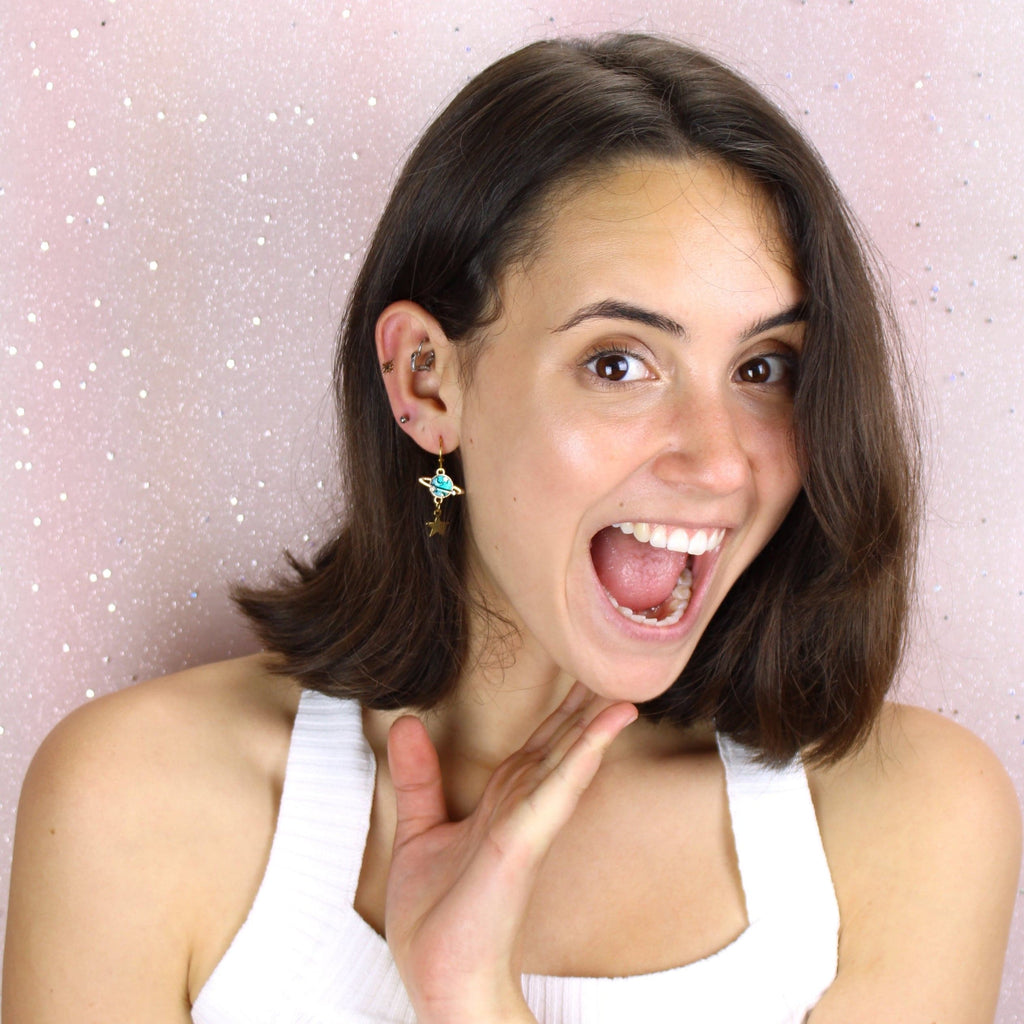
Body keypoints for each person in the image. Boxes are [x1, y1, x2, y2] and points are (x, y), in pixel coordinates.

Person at [3, 33, 1020, 1024]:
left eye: (763, 368)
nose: (718, 459)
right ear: (426, 381)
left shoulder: (907, 820)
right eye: (618, 362)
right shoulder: (134, 802)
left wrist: (471, 997)